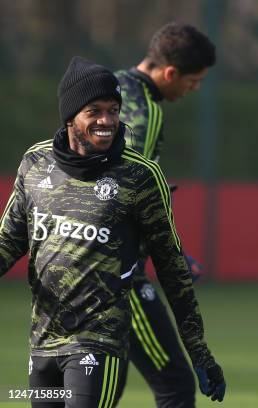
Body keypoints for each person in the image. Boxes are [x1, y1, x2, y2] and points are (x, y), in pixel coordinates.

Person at [0, 56, 225, 407]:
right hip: (43, 343)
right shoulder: (35, 162)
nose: (107, 121)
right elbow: (8, 242)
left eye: (113, 109)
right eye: (95, 111)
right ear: (71, 115)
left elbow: (172, 268)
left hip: (98, 342)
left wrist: (198, 350)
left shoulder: (140, 176)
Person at [111, 23, 215, 408]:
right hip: (117, 273)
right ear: (170, 73)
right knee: (174, 384)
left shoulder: (108, 88)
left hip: (76, 256)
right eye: (194, 80)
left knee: (97, 388)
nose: (195, 89)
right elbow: (126, 192)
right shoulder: (146, 112)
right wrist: (168, 254)